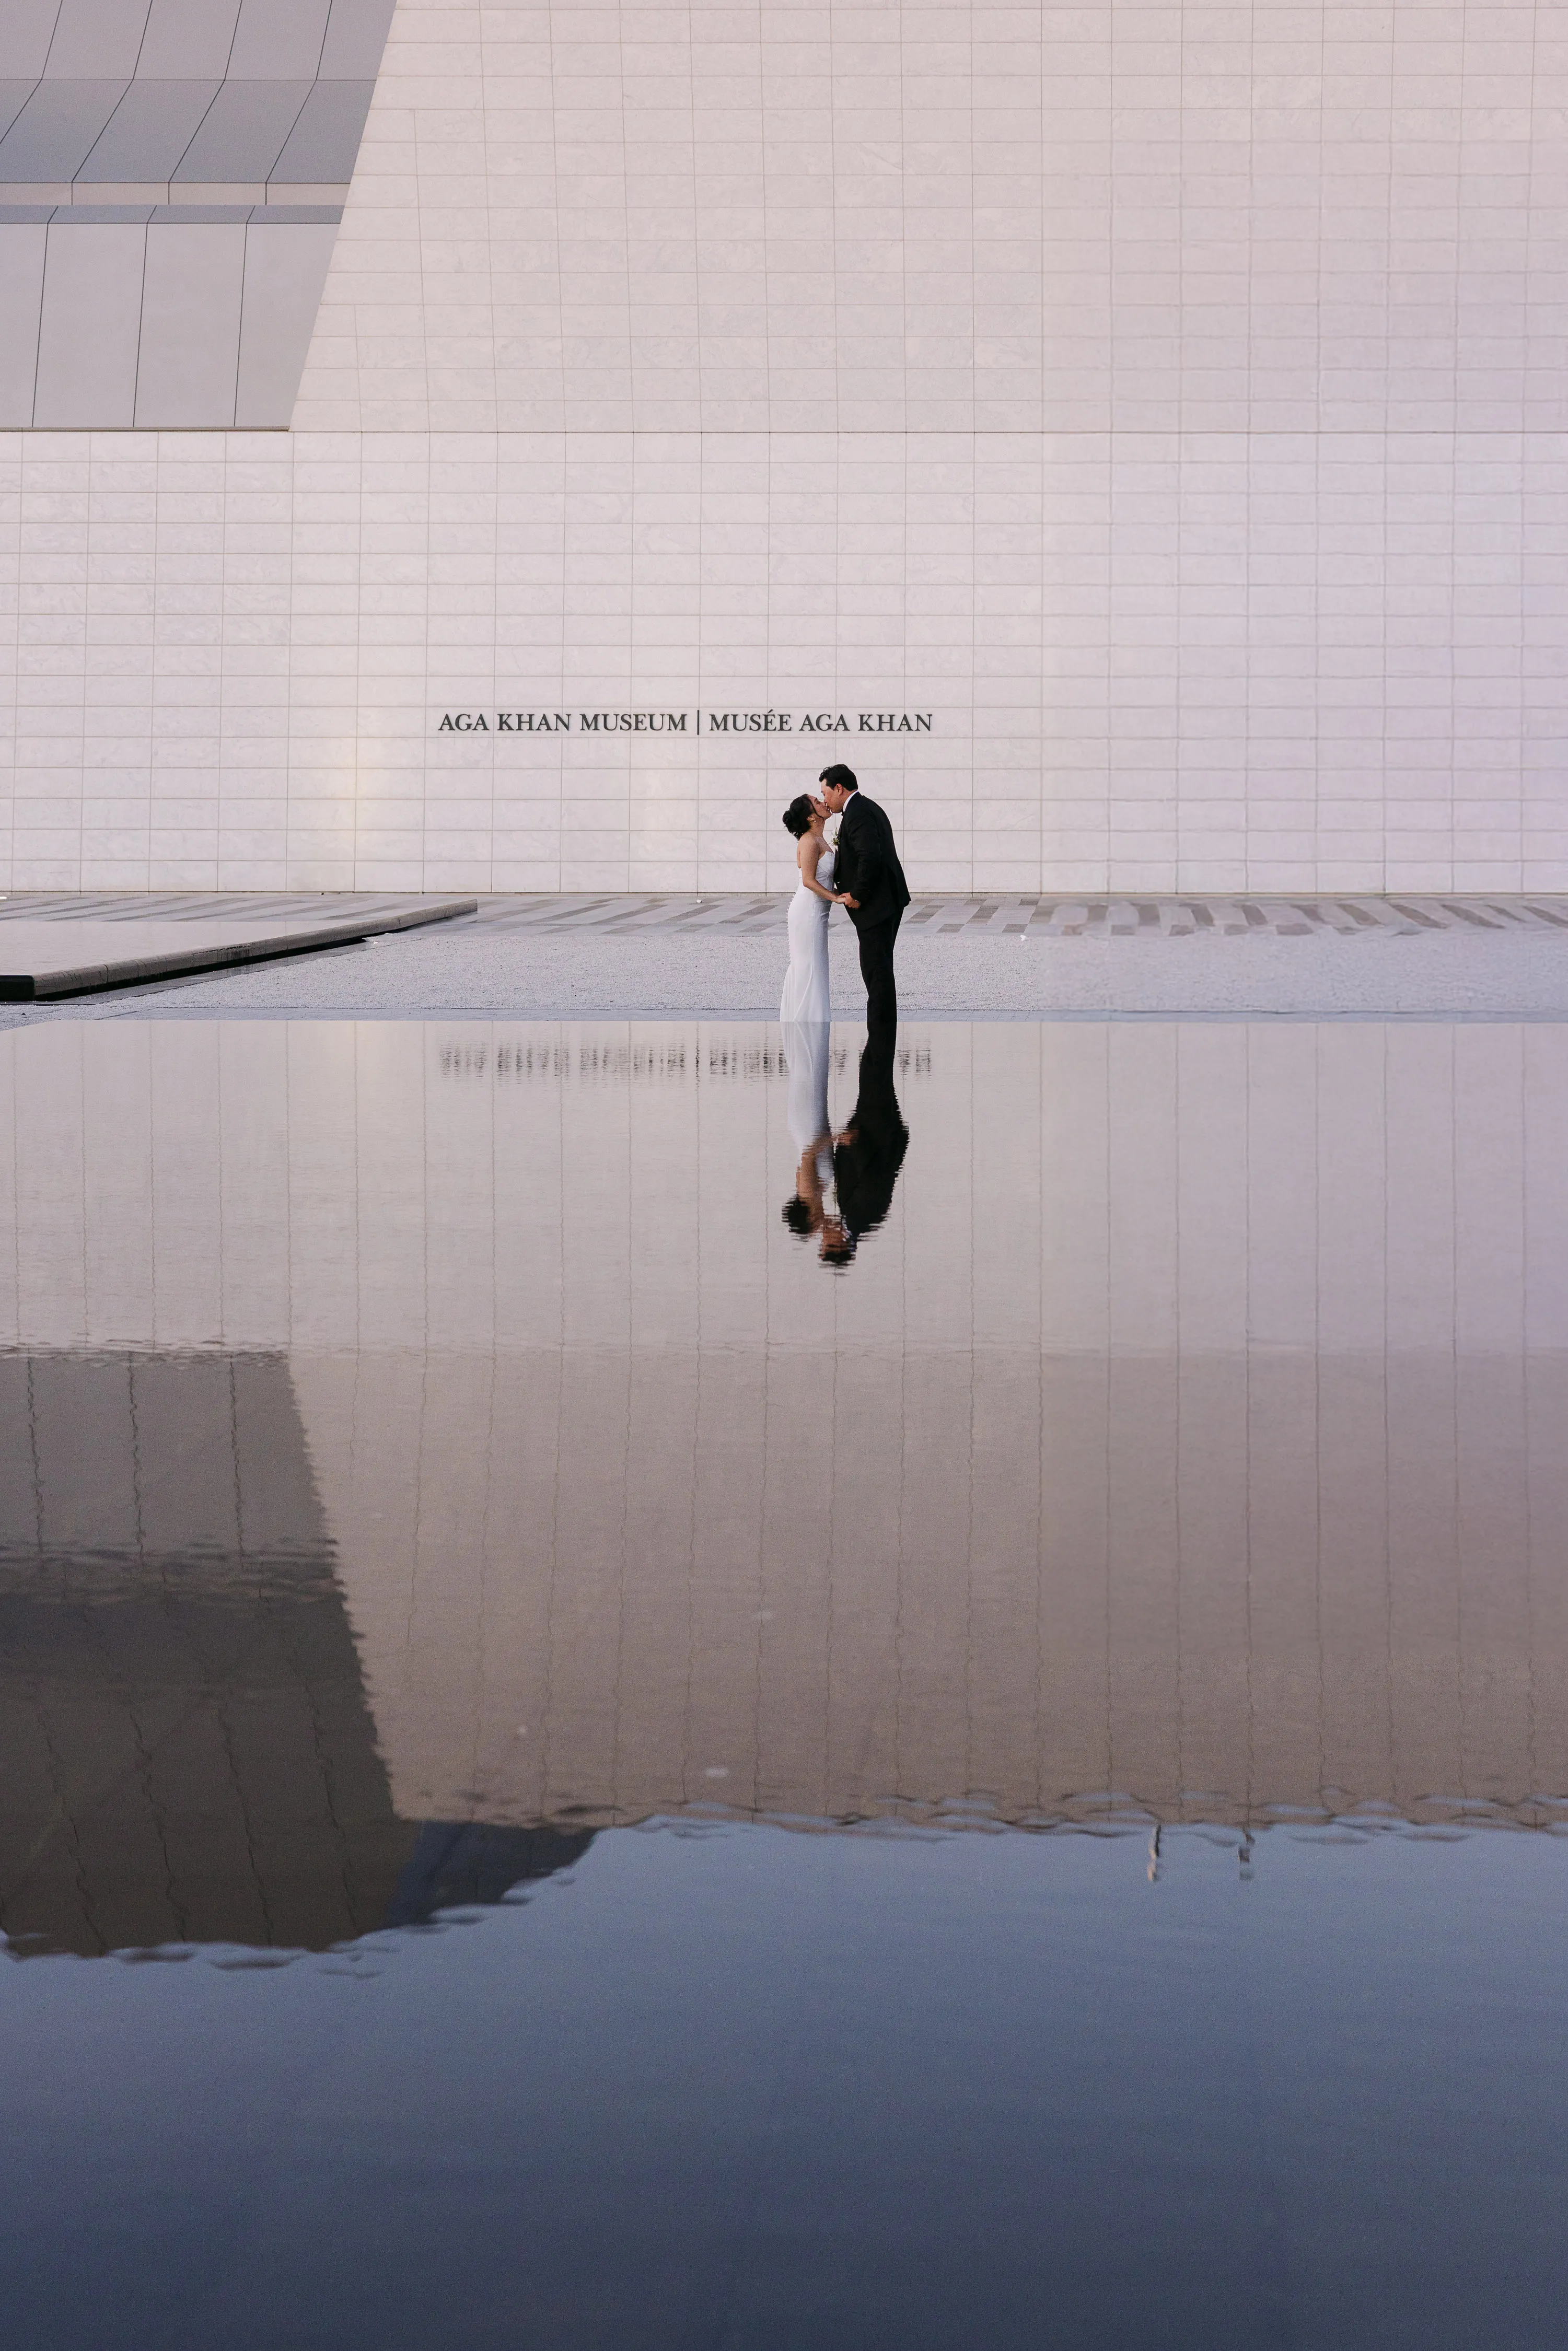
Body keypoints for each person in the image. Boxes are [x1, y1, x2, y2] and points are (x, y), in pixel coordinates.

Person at [815, 764, 909, 1028]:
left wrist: (857, 895)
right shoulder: (865, 808)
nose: (824, 799)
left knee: (876, 971)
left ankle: (880, 1034)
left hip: (877, 904)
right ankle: (884, 1028)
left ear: (839, 788)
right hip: (886, 901)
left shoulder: (858, 814)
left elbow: (870, 857)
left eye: (825, 792)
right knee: (879, 968)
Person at [779, 791, 849, 1024]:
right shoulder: (809, 841)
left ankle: (816, 1022)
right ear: (811, 816)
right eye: (817, 802)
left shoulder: (820, 839)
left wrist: (839, 893)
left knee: (817, 967)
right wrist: (836, 898)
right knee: (809, 966)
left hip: (817, 913)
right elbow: (809, 881)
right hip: (807, 912)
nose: (824, 803)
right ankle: (808, 1024)